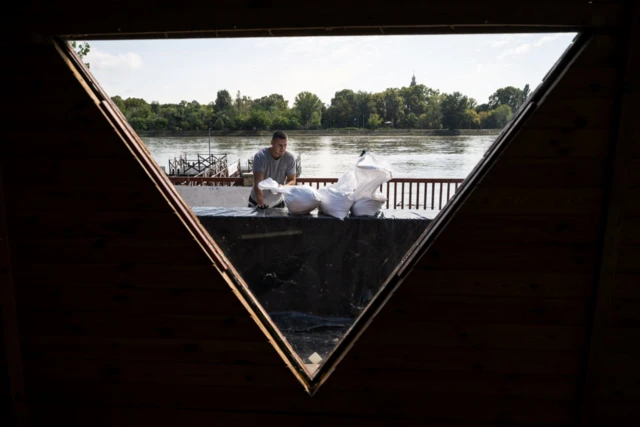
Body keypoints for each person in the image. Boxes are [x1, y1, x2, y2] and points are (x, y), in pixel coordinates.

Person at [248, 130, 297, 209]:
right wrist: (260, 203)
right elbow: (258, 183)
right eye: (280, 145)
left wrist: (283, 187)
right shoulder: (260, 157)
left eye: (285, 145)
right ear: (272, 143)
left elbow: (292, 180)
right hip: (257, 202)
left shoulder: (290, 158)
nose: (283, 148)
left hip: (278, 202)